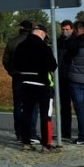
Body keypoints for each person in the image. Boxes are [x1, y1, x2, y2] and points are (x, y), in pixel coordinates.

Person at [12, 23, 58, 151]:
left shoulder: (20, 46)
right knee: (45, 115)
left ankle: (26, 142)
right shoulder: (43, 47)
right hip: (42, 85)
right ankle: (46, 144)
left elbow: (14, 64)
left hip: (25, 84)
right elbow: (52, 65)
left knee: (26, 113)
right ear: (42, 34)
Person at [2, 20, 39, 143]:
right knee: (33, 106)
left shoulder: (13, 42)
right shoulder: (36, 41)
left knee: (18, 105)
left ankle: (19, 133)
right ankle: (31, 133)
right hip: (33, 77)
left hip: (17, 77)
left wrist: (12, 72)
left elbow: (5, 60)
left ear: (21, 28)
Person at [56, 19, 76, 142]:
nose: (64, 32)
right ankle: (65, 132)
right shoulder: (59, 42)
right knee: (64, 106)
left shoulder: (75, 42)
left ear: (72, 29)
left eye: (67, 30)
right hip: (61, 77)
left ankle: (82, 134)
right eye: (63, 30)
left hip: (72, 77)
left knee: (78, 106)